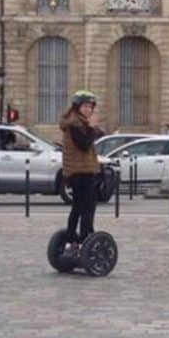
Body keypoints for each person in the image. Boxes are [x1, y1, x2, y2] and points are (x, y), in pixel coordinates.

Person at [59, 90, 105, 247]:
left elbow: (96, 135)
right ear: (77, 107)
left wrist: (93, 128)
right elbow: (84, 144)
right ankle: (85, 237)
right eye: (85, 106)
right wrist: (92, 128)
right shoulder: (75, 124)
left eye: (91, 107)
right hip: (81, 172)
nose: (89, 110)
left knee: (78, 207)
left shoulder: (78, 122)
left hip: (79, 171)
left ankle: (73, 239)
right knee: (87, 207)